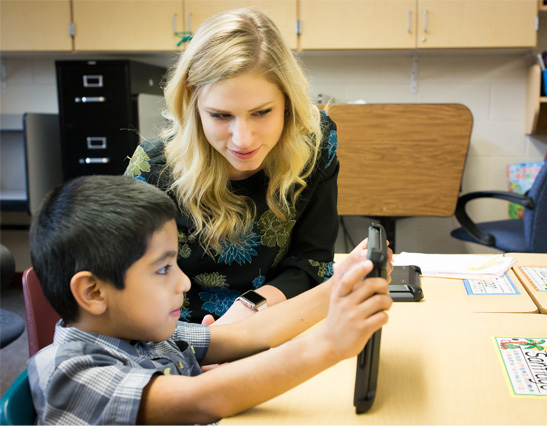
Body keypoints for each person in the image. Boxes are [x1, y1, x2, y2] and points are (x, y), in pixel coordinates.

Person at [27, 175, 392, 425]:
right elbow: (203, 398)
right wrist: (330, 343)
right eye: (163, 269)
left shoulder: (143, 332)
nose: (183, 282)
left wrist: (339, 286)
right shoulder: (71, 374)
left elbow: (248, 335)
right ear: (93, 292)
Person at [124, 7, 340, 324]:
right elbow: (126, 282)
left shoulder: (314, 144)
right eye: (221, 115)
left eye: (262, 112)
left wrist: (244, 314)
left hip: (274, 318)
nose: (243, 139)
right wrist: (204, 344)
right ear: (192, 101)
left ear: (287, 102)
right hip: (174, 336)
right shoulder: (153, 169)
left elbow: (312, 261)